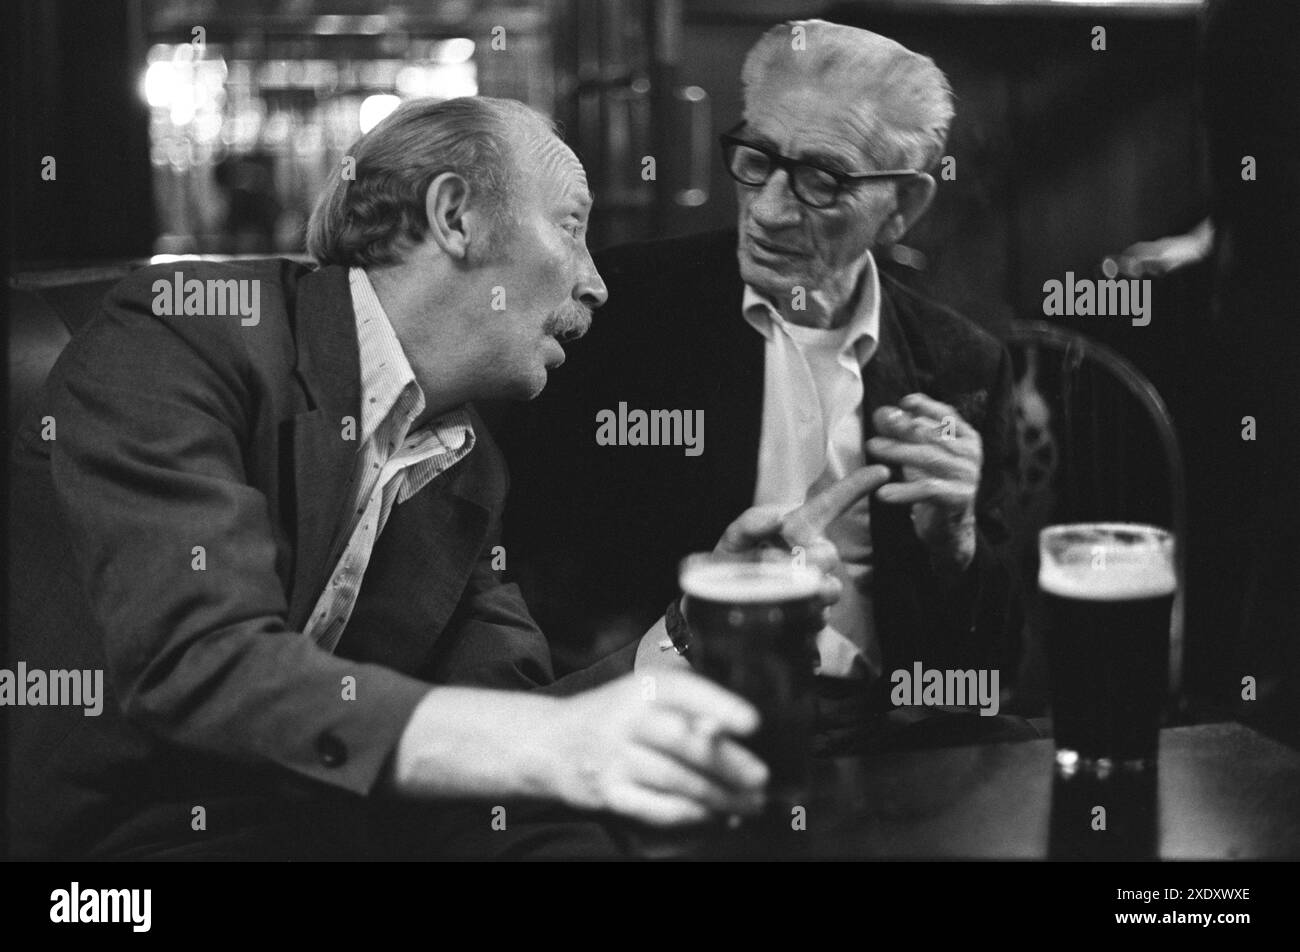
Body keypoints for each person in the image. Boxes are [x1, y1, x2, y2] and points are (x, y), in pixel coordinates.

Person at [6, 96, 781, 860]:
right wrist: (553, 745)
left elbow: (496, 731)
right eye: (572, 227)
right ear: (455, 216)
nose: (596, 282)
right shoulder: (181, 336)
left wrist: (688, 635)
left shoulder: (467, 459)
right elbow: (198, 663)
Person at [501, 21, 1026, 751]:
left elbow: (995, 663)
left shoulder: (964, 363)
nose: (771, 209)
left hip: (887, 732)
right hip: (665, 720)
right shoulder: (619, 312)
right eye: (757, 159)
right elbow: (529, 569)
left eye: (822, 180)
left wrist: (957, 541)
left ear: (903, 206)